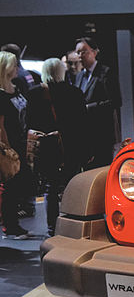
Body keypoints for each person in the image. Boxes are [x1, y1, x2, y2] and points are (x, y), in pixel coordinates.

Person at [25, 58, 88, 236]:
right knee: (71, 186)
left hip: (46, 147)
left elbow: (28, 122)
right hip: (70, 147)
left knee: (49, 188)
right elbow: (83, 125)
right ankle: (71, 224)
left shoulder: (34, 93)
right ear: (62, 71)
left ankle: (52, 228)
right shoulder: (74, 93)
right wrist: (86, 150)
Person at [0, 51, 33, 239]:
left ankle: (14, 223)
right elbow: (1, 126)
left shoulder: (16, 87)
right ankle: (10, 226)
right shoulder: (1, 95)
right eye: (13, 65)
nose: (17, 69)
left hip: (21, 142)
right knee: (9, 186)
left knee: (18, 185)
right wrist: (7, 149)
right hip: (9, 146)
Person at [75, 36, 121, 169]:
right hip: (86, 134)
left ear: (95, 52)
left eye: (83, 52)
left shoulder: (106, 72)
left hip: (102, 133)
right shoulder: (79, 76)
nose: (80, 56)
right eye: (77, 52)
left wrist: (88, 108)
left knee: (102, 171)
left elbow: (116, 101)